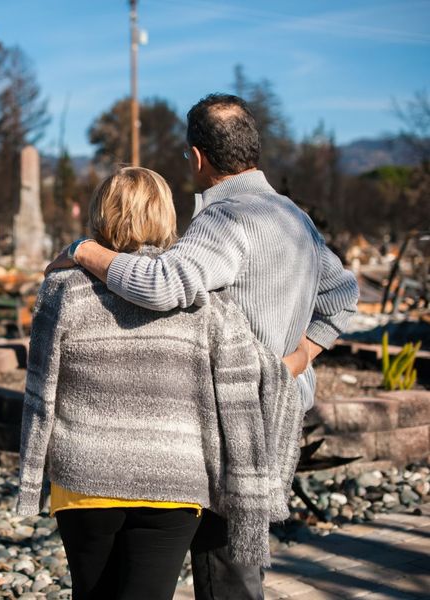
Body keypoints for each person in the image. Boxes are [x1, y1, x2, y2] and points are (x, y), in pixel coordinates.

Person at [46, 95, 360, 600]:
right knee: (240, 566)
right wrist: (299, 360)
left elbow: (161, 284)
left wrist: (83, 250)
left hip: (233, 418)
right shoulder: (293, 218)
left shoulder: (226, 219)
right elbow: (343, 297)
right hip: (281, 413)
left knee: (224, 573)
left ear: (196, 157)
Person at [18, 167, 307, 600]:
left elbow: (41, 392)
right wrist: (302, 356)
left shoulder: (64, 288)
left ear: (100, 214)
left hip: (85, 477)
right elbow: (248, 377)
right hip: (174, 482)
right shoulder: (201, 301)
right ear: (167, 217)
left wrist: (30, 478)